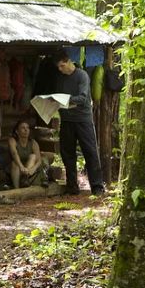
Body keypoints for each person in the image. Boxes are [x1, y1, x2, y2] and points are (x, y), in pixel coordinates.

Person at [53, 49, 105, 195]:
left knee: (90, 152)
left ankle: (97, 187)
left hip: (83, 120)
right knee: (67, 153)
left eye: (62, 66)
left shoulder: (82, 76)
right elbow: (59, 96)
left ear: (68, 61)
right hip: (67, 119)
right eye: (58, 67)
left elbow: (83, 98)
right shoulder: (60, 78)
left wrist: (67, 100)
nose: (60, 69)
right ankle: (72, 186)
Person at [8, 120, 49, 188]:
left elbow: (39, 160)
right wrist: (21, 167)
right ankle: (17, 189)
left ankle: (25, 179)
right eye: (23, 128)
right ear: (17, 131)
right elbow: (14, 153)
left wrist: (33, 169)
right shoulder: (12, 140)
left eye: (27, 128)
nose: (26, 130)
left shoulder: (33, 143)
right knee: (14, 164)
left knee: (33, 156)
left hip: (29, 170)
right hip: (17, 169)